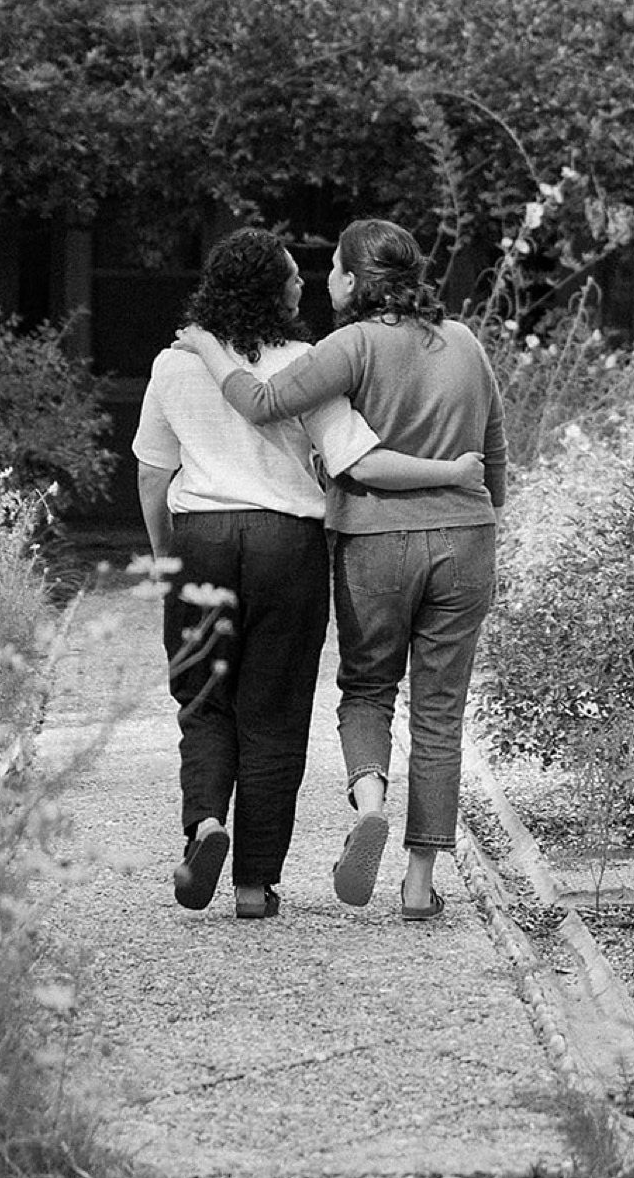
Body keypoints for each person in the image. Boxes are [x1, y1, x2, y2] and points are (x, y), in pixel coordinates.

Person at [135, 226, 484, 920]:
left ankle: (205, 825)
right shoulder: (306, 362)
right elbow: (356, 457)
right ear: (273, 292)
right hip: (286, 545)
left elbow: (152, 473)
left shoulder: (173, 365)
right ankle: (253, 884)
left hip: (201, 537)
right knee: (274, 716)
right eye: (295, 276)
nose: (305, 285)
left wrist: (167, 554)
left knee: (203, 702)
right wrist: (455, 474)